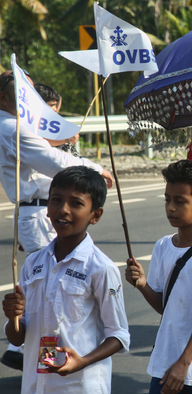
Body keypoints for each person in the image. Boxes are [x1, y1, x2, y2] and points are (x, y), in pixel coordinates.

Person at [0, 70, 113, 371]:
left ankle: (30, 352)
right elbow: (53, 162)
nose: (29, 94)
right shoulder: (11, 127)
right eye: (21, 89)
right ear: (2, 97)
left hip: (39, 210)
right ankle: (46, 359)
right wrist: (94, 168)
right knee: (48, 288)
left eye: (31, 88)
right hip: (38, 211)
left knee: (49, 286)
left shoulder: (14, 125)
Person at [2, 166, 130, 393]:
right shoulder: (34, 262)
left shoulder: (100, 267)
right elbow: (19, 336)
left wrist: (82, 361)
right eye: (56, 200)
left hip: (79, 385)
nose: (63, 210)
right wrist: (14, 316)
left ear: (95, 215)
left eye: (76, 203)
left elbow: (118, 335)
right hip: (36, 385)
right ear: (47, 208)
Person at [125, 160, 192, 394]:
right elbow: (165, 306)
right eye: (167, 199)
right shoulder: (163, 245)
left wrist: (184, 362)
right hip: (165, 362)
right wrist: (142, 284)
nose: (171, 207)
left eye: (180, 201)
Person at [34, 83, 81, 158]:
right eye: (52, 105)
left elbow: (59, 98)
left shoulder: (47, 119)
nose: (55, 109)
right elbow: (41, 141)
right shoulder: (31, 121)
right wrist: (67, 140)